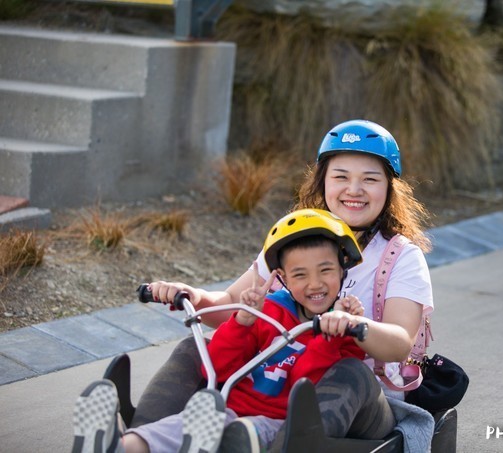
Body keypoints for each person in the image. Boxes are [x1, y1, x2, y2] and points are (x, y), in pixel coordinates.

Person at [137, 119, 435, 449]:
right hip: (277, 384)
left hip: (365, 399)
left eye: (370, 179)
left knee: (350, 372)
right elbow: (232, 306)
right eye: (341, 177)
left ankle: (268, 445)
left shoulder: (400, 256)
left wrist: (354, 325)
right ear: (323, 182)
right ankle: (136, 440)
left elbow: (400, 342)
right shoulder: (296, 242)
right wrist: (193, 295)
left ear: (389, 188)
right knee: (195, 349)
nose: (354, 189)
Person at [72, 209, 369, 453]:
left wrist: (330, 337)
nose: (315, 284)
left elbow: (305, 386)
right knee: (173, 428)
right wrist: (242, 321)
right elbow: (216, 368)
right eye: (300, 275)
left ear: (343, 270)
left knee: (244, 434)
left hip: (277, 423)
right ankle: (116, 446)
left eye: (325, 271)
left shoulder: (344, 328)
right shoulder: (267, 311)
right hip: (222, 412)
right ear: (283, 279)